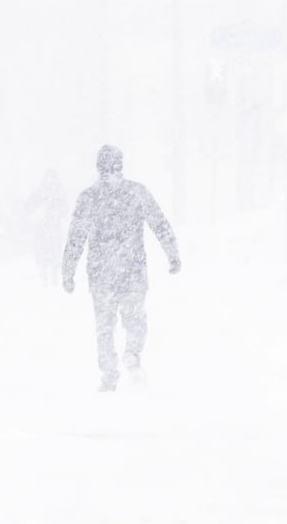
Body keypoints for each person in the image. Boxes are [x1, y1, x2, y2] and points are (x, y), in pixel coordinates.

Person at [62, 145, 181, 392]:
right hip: (132, 270)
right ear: (121, 166)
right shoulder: (136, 193)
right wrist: (172, 253)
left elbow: (75, 237)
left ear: (97, 168)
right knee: (135, 318)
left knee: (104, 326)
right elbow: (159, 223)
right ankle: (132, 354)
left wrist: (68, 270)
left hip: (100, 272)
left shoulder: (88, 198)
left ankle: (109, 374)